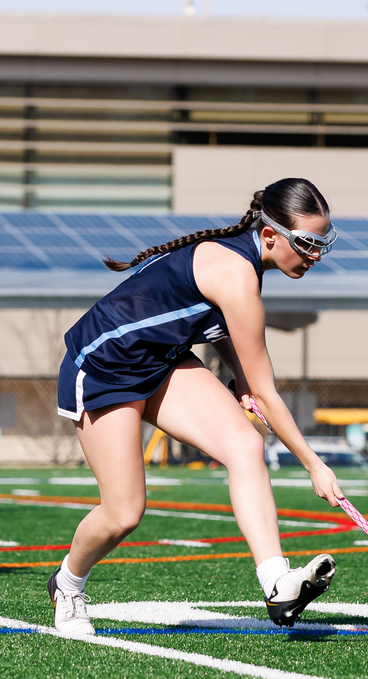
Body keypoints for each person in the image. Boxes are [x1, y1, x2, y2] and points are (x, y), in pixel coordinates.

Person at [50, 177, 345, 635]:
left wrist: (241, 379)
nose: (314, 256)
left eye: (322, 244)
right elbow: (266, 390)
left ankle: (276, 583)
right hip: (104, 366)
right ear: (270, 235)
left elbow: (218, 327)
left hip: (161, 362)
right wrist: (314, 465)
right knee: (123, 512)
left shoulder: (245, 261)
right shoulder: (237, 274)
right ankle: (68, 583)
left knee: (245, 444)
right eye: (307, 244)